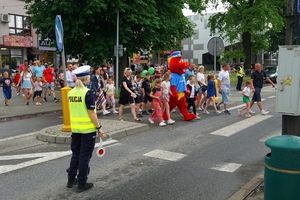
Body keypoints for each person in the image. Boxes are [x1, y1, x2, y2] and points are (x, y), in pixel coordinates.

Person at [66, 65, 104, 193]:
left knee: (75, 155)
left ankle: (71, 180)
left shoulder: (71, 93)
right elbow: (91, 113)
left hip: (75, 129)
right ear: (87, 78)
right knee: (84, 156)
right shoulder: (88, 93)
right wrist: (99, 128)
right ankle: (82, 182)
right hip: (88, 130)